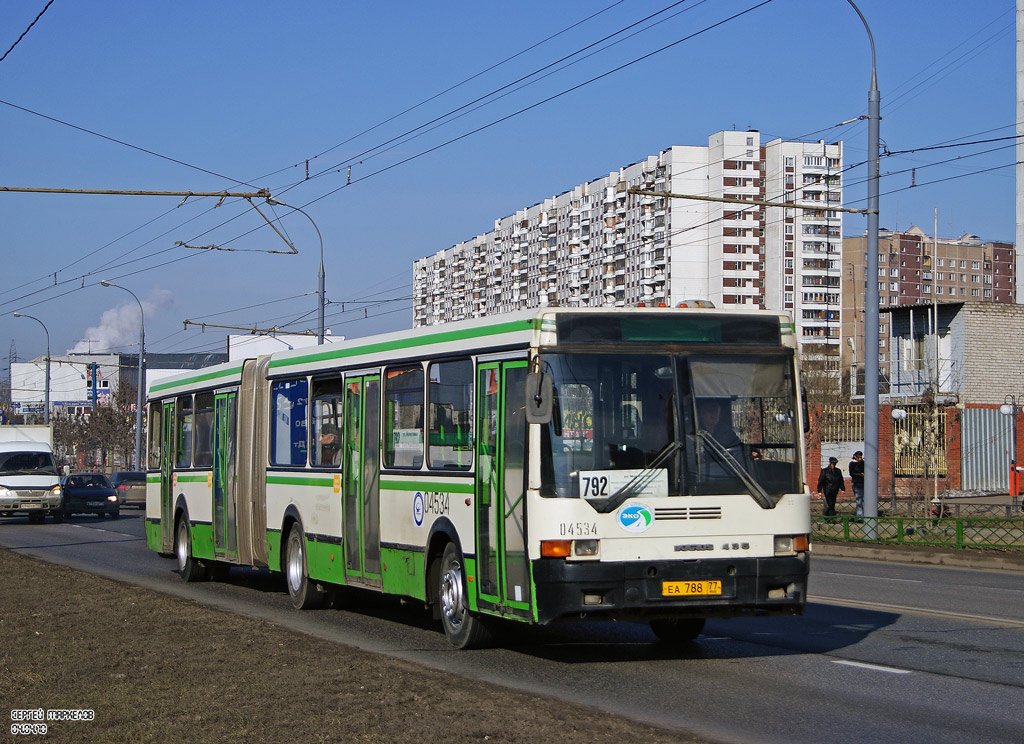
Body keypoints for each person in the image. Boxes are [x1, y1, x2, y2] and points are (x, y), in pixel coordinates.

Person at [848, 450, 865, 517]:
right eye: (859, 457)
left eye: (861, 457)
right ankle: (860, 516)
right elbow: (852, 473)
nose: (860, 459)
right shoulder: (852, 464)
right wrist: (860, 474)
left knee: (863, 499)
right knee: (859, 500)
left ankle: (864, 514)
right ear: (855, 457)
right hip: (857, 483)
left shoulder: (863, 463)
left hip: (863, 482)